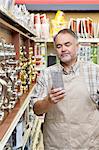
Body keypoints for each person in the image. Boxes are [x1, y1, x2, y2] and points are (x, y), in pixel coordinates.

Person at [31, 28, 99, 150]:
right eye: (59, 46)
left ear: (77, 46)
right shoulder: (47, 74)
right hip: (56, 143)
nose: (63, 49)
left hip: (88, 143)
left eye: (67, 44)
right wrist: (48, 101)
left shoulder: (95, 71)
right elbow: (37, 110)